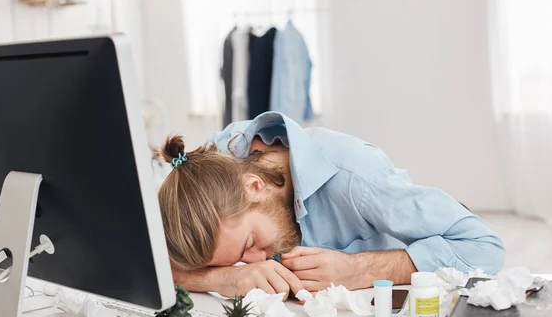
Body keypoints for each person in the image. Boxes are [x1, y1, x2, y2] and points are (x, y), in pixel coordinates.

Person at [158, 112, 505, 298]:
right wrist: (225, 278)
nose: (255, 261)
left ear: (254, 186)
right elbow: (154, 263)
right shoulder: (207, 170)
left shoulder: (355, 176)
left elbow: (484, 247)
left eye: (249, 245)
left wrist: (359, 270)